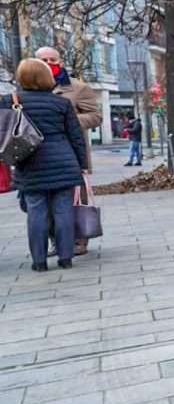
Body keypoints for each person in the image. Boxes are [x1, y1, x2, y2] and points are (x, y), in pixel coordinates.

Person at [12, 58, 87, 271]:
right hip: (63, 161)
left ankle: (39, 261)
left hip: (29, 162)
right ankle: (65, 258)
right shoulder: (61, 103)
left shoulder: (11, 101)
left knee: (36, 211)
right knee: (64, 210)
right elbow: (75, 136)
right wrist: (81, 164)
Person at [38, 47, 102, 256]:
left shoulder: (78, 87)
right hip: (41, 152)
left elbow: (95, 116)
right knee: (46, 199)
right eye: (43, 60)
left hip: (71, 150)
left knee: (77, 196)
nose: (49, 63)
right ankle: (57, 241)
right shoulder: (32, 88)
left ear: (61, 61)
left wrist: (68, 119)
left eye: (52, 59)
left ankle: (80, 239)